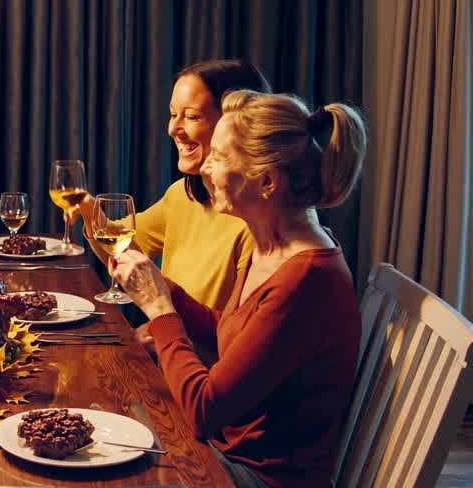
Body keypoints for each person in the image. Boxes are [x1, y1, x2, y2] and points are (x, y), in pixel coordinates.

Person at [111, 91, 365, 487]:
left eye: (221, 157)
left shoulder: (307, 279)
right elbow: (235, 333)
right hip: (222, 452)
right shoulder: (272, 246)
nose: (205, 167)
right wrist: (168, 292)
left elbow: (203, 409)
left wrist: (161, 310)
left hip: (255, 476)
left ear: (266, 181)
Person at [86, 59, 270, 314]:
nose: (173, 129)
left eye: (192, 116)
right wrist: (88, 210)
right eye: (173, 114)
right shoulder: (181, 195)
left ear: (235, 124)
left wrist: (158, 328)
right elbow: (123, 247)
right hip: (169, 347)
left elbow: (234, 334)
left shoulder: (257, 222)